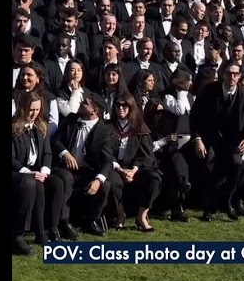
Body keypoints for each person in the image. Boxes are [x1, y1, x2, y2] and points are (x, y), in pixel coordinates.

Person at [190, 62, 244, 221]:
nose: (232, 77)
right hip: (210, 138)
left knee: (237, 164)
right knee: (210, 165)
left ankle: (227, 201)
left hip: (233, 140)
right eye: (229, 73)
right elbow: (195, 116)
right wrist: (197, 139)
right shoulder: (208, 91)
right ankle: (209, 208)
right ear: (222, 74)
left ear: (239, 76)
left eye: (235, 74)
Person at [49, 92, 122, 236]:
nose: (80, 105)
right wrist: (65, 153)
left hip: (88, 171)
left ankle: (90, 221)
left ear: (95, 111)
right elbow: (55, 140)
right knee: (66, 178)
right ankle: (64, 221)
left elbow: (107, 161)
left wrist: (97, 179)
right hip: (66, 169)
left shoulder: (106, 132)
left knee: (105, 185)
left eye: (85, 104)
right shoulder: (71, 119)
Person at [109, 93, 162, 232]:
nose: (121, 108)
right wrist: (120, 169)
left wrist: (133, 170)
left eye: (124, 105)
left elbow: (146, 155)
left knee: (154, 179)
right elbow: (104, 152)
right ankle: (119, 215)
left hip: (135, 168)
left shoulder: (140, 128)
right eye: (118, 105)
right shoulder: (108, 127)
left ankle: (142, 216)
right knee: (113, 182)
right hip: (114, 167)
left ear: (131, 107)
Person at [11, 91, 55, 255]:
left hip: (34, 172)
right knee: (30, 183)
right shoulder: (14, 128)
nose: (34, 113)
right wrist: (28, 172)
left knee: (53, 182)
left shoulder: (40, 127)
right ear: (22, 108)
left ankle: (43, 231)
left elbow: (48, 154)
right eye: (31, 110)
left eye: (37, 110)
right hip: (17, 172)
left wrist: (44, 170)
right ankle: (17, 234)